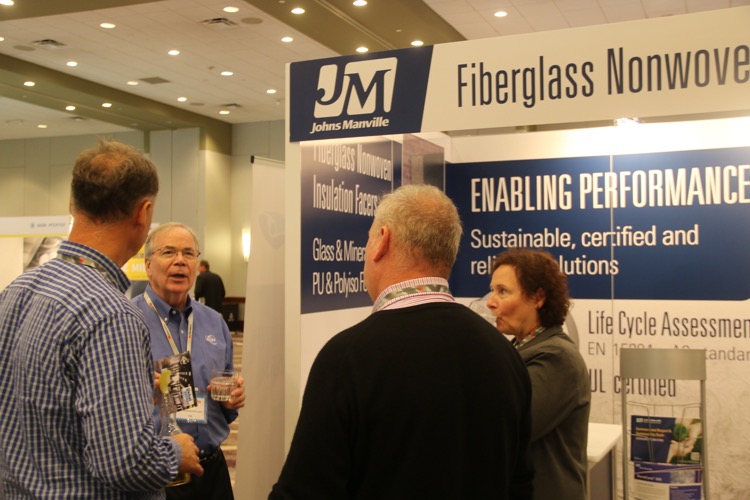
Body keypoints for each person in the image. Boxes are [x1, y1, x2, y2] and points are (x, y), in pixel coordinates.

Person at [270, 184, 534, 500]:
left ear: (382, 241)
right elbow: (520, 486)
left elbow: (304, 492)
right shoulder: (506, 355)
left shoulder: (347, 358)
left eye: (368, 239)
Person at [0, 140, 203, 499]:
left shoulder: (17, 290)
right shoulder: (111, 315)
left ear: (72, 204)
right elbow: (125, 463)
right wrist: (176, 452)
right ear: (144, 213)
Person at [132, 222, 246, 500]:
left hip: (212, 470)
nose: (180, 260)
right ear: (148, 265)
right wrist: (143, 391)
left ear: (197, 264)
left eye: (188, 253)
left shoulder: (214, 322)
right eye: (168, 252)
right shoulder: (127, 321)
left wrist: (232, 399)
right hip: (158, 474)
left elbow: (225, 391)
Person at [486, 248, 591, 500]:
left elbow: (509, 427)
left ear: (538, 298)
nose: (490, 301)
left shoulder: (557, 358)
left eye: (503, 291)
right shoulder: (520, 348)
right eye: (492, 290)